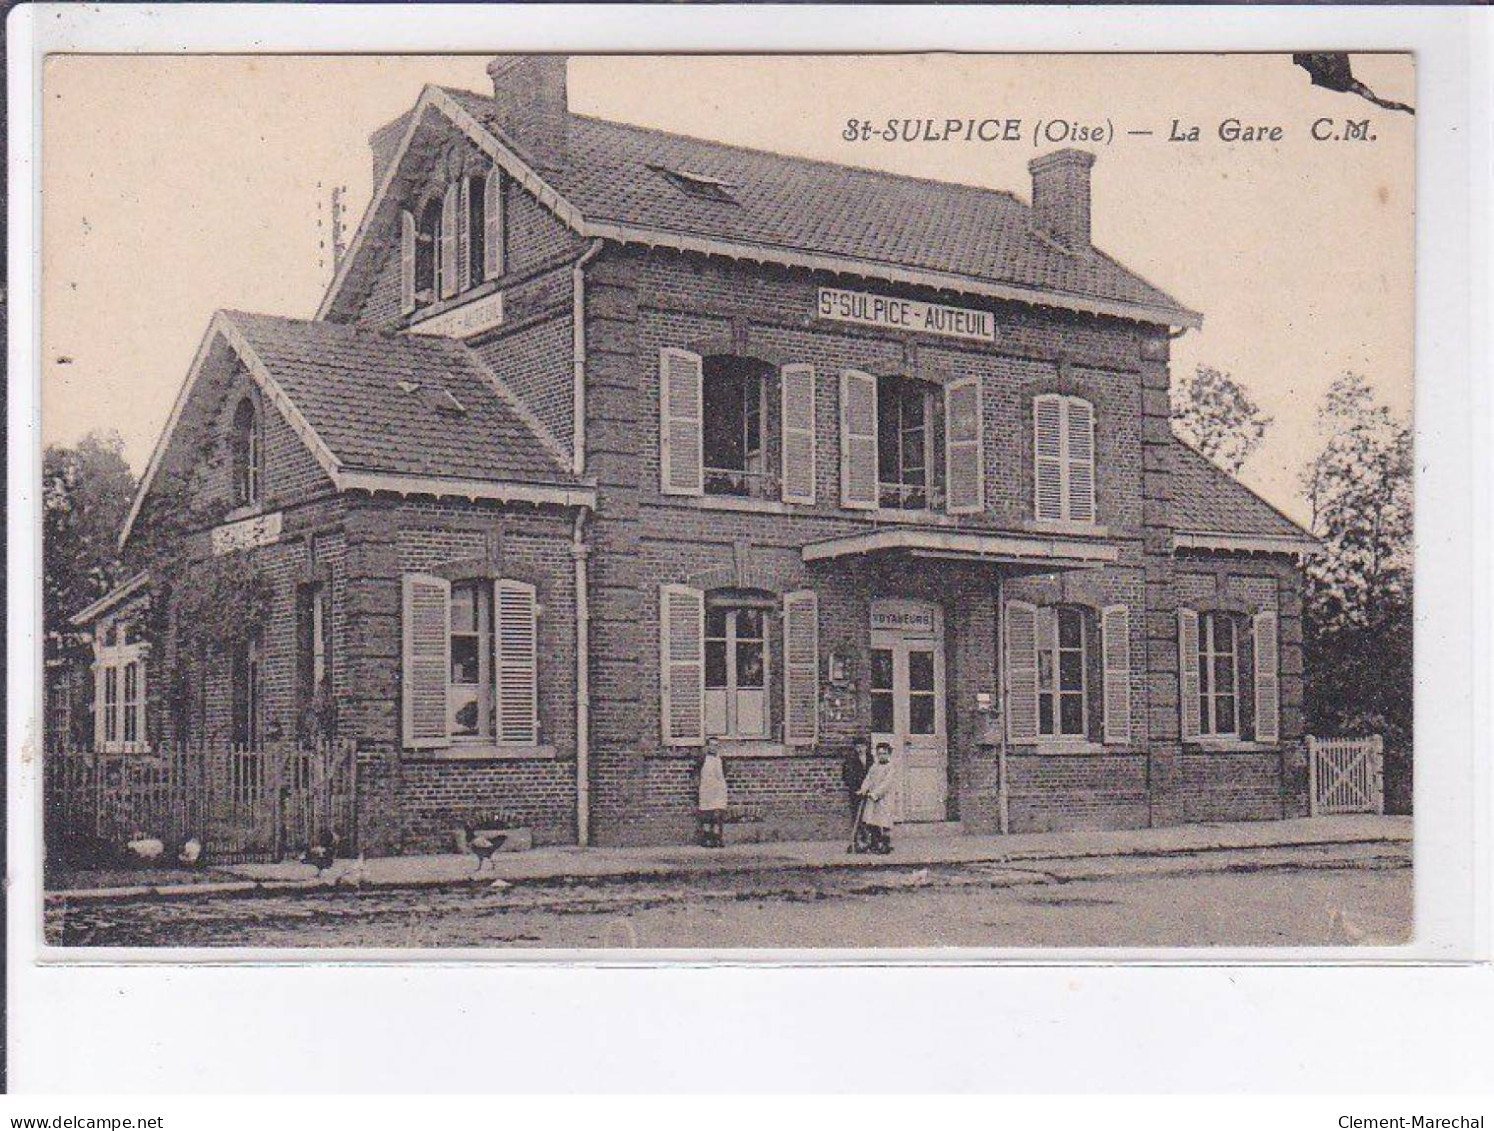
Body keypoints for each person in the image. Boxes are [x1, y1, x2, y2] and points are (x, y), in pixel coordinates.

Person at [858, 742, 897, 855]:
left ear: (889, 754)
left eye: (884, 753)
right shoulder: (874, 767)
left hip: (884, 798)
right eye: (879, 754)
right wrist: (863, 789)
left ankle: (885, 845)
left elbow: (886, 784)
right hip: (872, 799)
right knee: (872, 821)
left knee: (884, 822)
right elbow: (868, 779)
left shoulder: (891, 768)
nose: (881, 756)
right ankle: (874, 843)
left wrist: (876, 794)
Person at [841, 738, 873, 853]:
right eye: (858, 747)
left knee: (869, 817)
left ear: (866, 747)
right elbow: (846, 776)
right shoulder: (850, 760)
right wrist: (856, 789)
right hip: (856, 792)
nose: (860, 749)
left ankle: (870, 842)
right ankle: (855, 842)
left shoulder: (872, 759)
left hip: (870, 793)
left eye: (862, 746)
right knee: (857, 818)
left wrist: (870, 789)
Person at [696, 737, 729, 848]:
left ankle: (717, 836)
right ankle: (706, 837)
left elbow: (725, 772)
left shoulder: (721, 760)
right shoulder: (703, 759)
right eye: (711, 745)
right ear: (707, 747)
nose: (714, 748)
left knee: (718, 812)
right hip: (706, 788)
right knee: (706, 813)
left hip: (718, 788)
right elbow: (696, 772)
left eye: (716, 745)